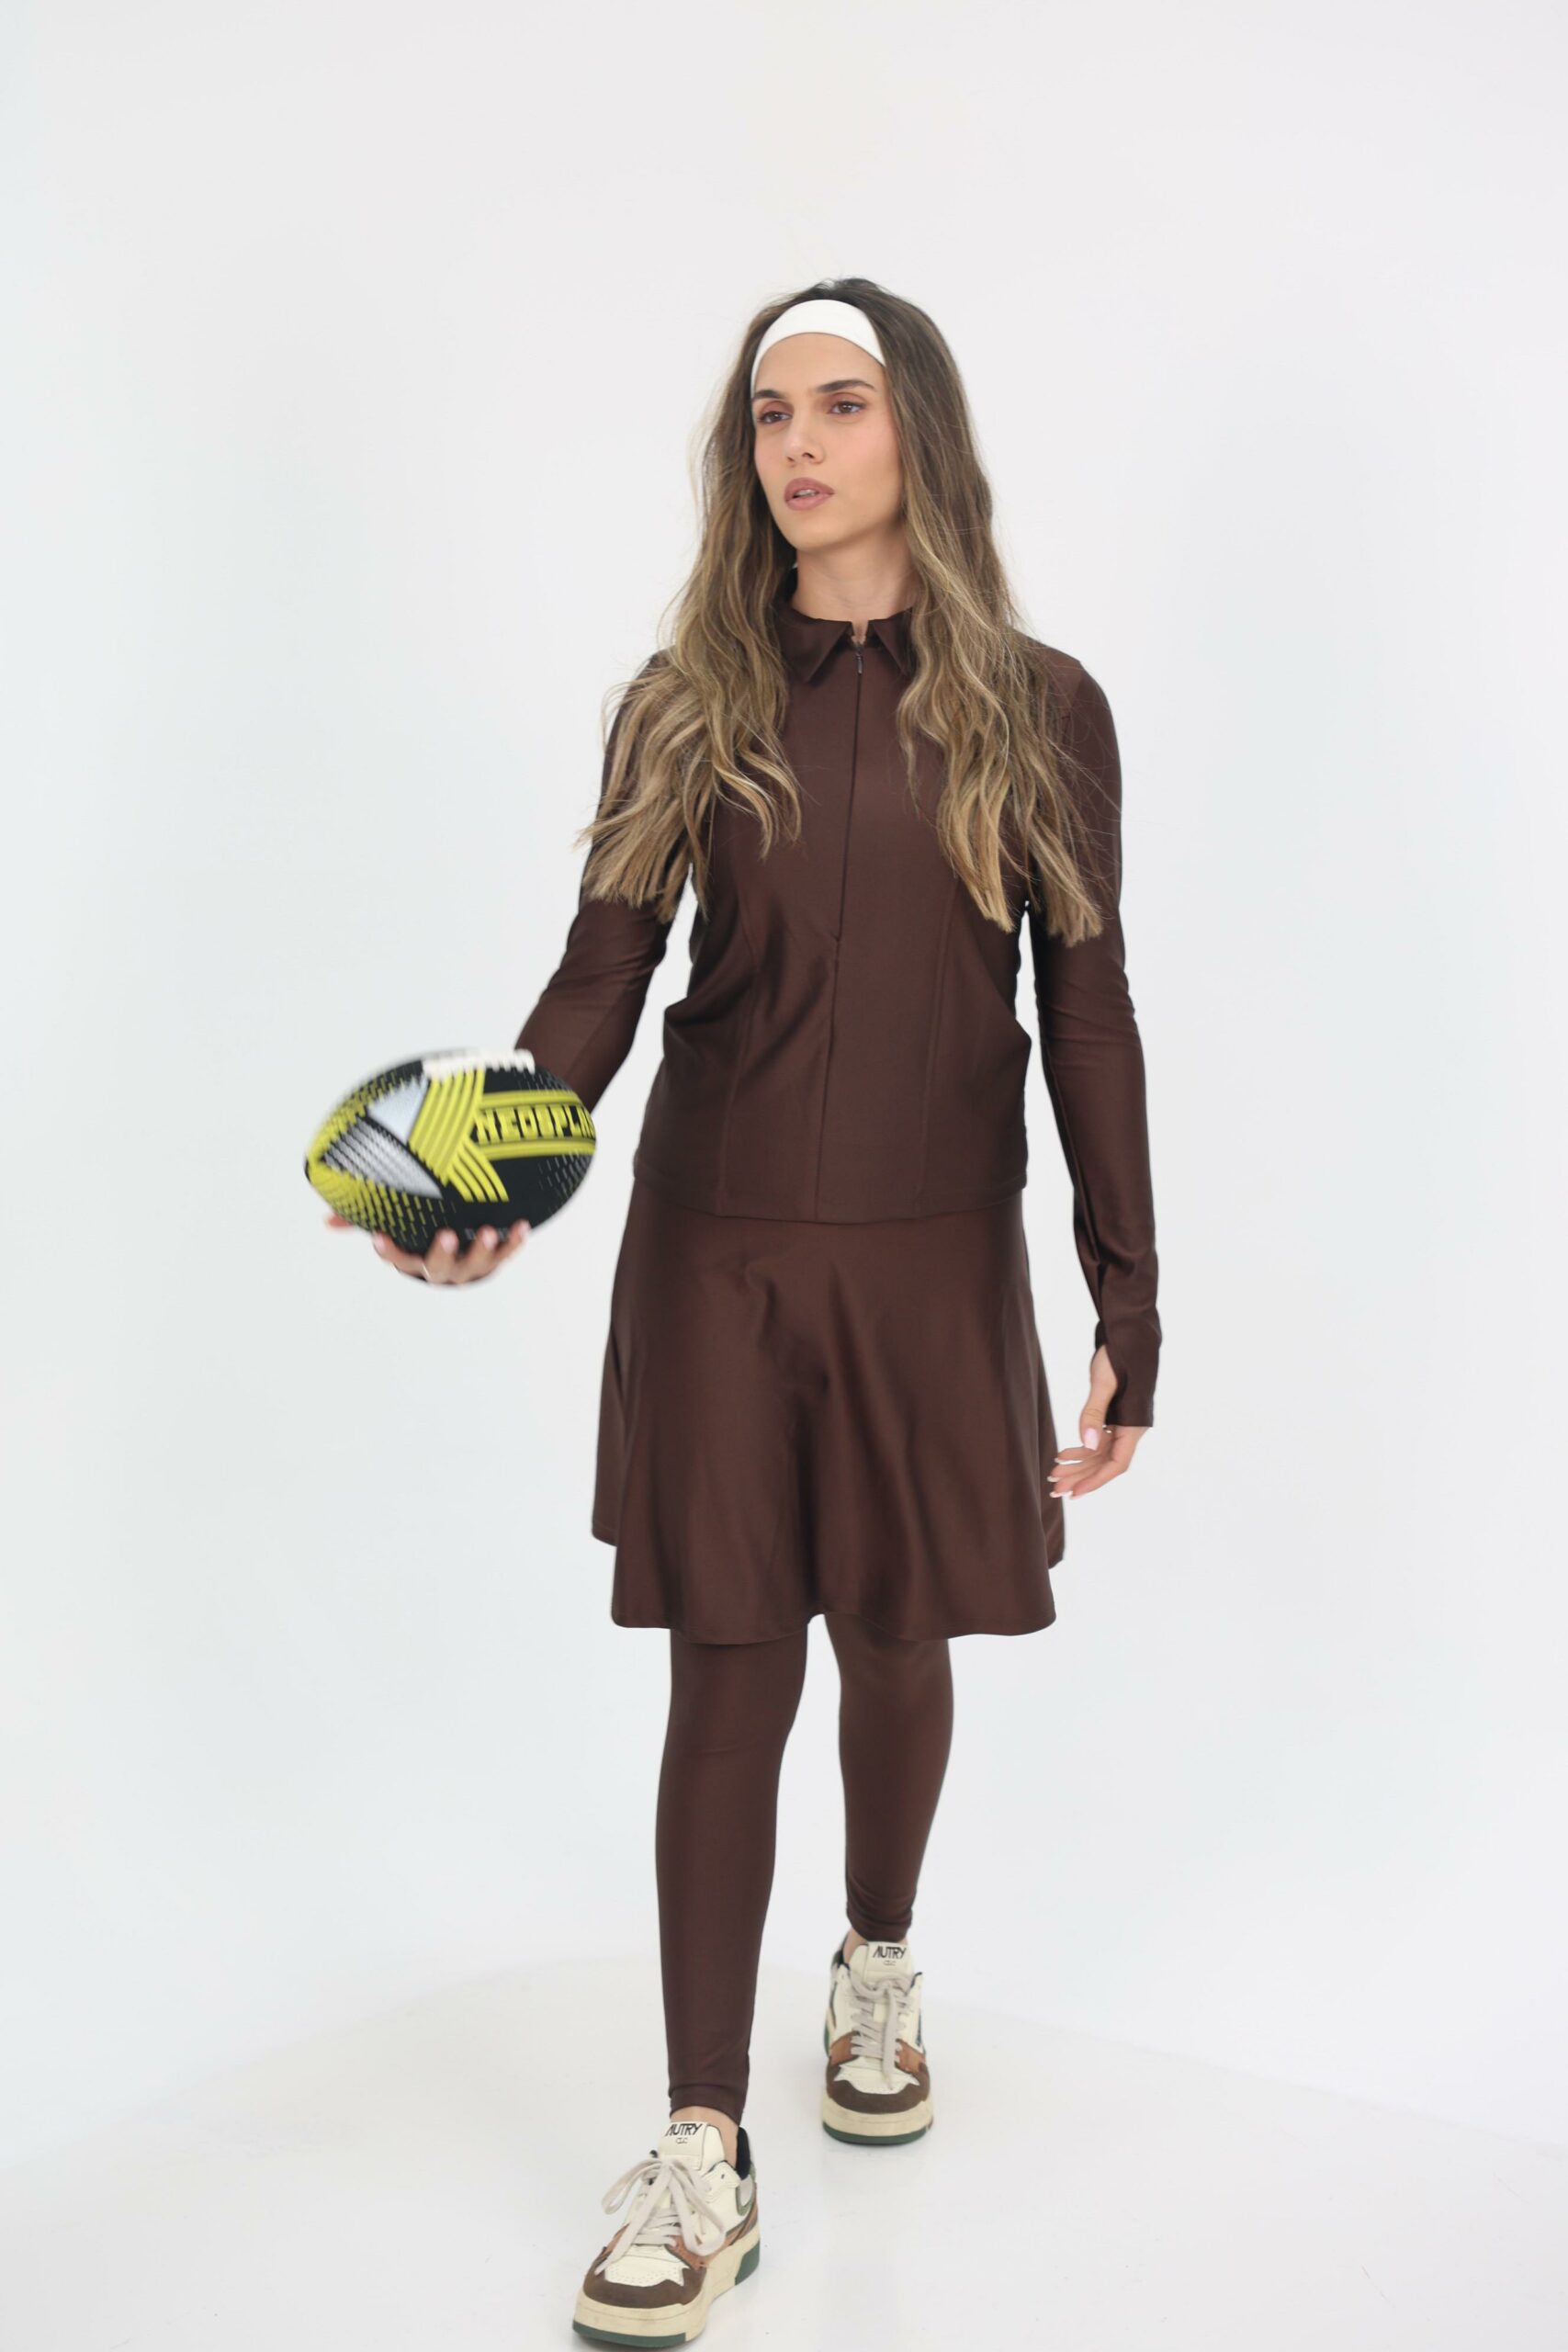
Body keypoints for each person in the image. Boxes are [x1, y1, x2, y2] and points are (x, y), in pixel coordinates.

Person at [330, 278, 1160, 2344]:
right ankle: (702, 2137)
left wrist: (1128, 1292)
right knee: (728, 1664)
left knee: (896, 1634)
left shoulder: (1043, 705)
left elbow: (1087, 1010)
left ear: (918, 432)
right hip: (713, 1250)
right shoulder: (684, 698)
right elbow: (599, 973)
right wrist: (494, 1177)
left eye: (841, 405)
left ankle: (874, 1961)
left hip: (933, 1248)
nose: (798, 445)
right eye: (770, 414)